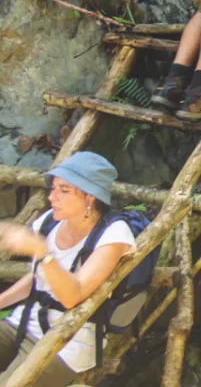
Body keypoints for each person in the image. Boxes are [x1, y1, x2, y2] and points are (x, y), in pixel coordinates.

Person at [0, 154, 133, 386]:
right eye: (53, 188)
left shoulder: (114, 235)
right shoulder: (49, 222)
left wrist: (42, 253)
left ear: (90, 196)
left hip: (68, 342)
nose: (52, 197)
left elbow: (73, 296)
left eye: (64, 190)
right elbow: (37, 279)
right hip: (23, 322)